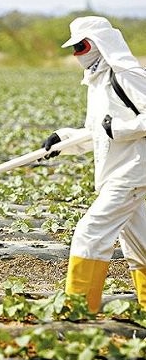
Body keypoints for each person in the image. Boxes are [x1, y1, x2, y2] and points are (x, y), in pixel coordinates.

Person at [42, 16, 146, 313]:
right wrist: (63, 139)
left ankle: (79, 311)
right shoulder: (96, 82)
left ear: (100, 43)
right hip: (115, 172)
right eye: (74, 48)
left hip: (132, 171)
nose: (77, 54)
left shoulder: (126, 75)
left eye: (81, 45)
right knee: (140, 245)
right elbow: (97, 133)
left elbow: (119, 127)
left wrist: (123, 130)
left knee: (90, 233)